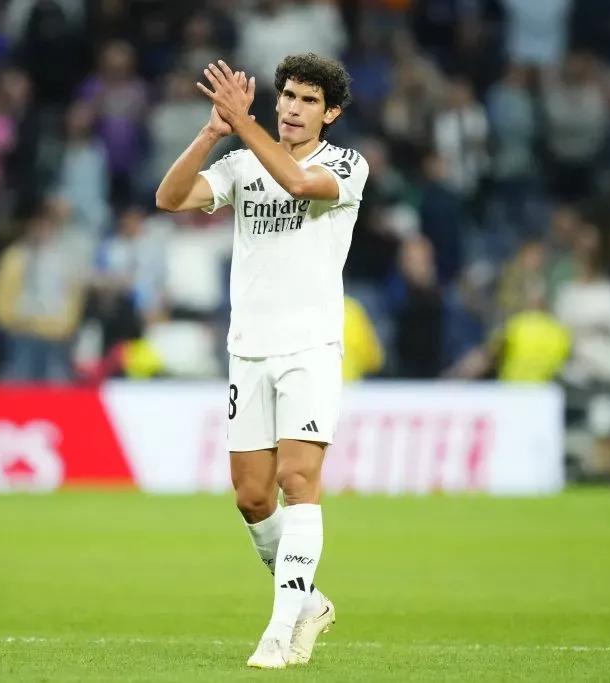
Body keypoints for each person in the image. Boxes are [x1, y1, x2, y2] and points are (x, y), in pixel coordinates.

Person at [155, 54, 367, 669]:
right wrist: (212, 132)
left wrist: (243, 123)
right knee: (252, 497)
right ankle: (308, 602)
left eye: (307, 101)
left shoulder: (345, 165)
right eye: (287, 97)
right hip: (247, 348)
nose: (292, 109)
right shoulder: (243, 162)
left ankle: (278, 632)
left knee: (298, 481)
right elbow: (170, 198)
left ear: (330, 113)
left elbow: (300, 185)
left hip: (310, 347)